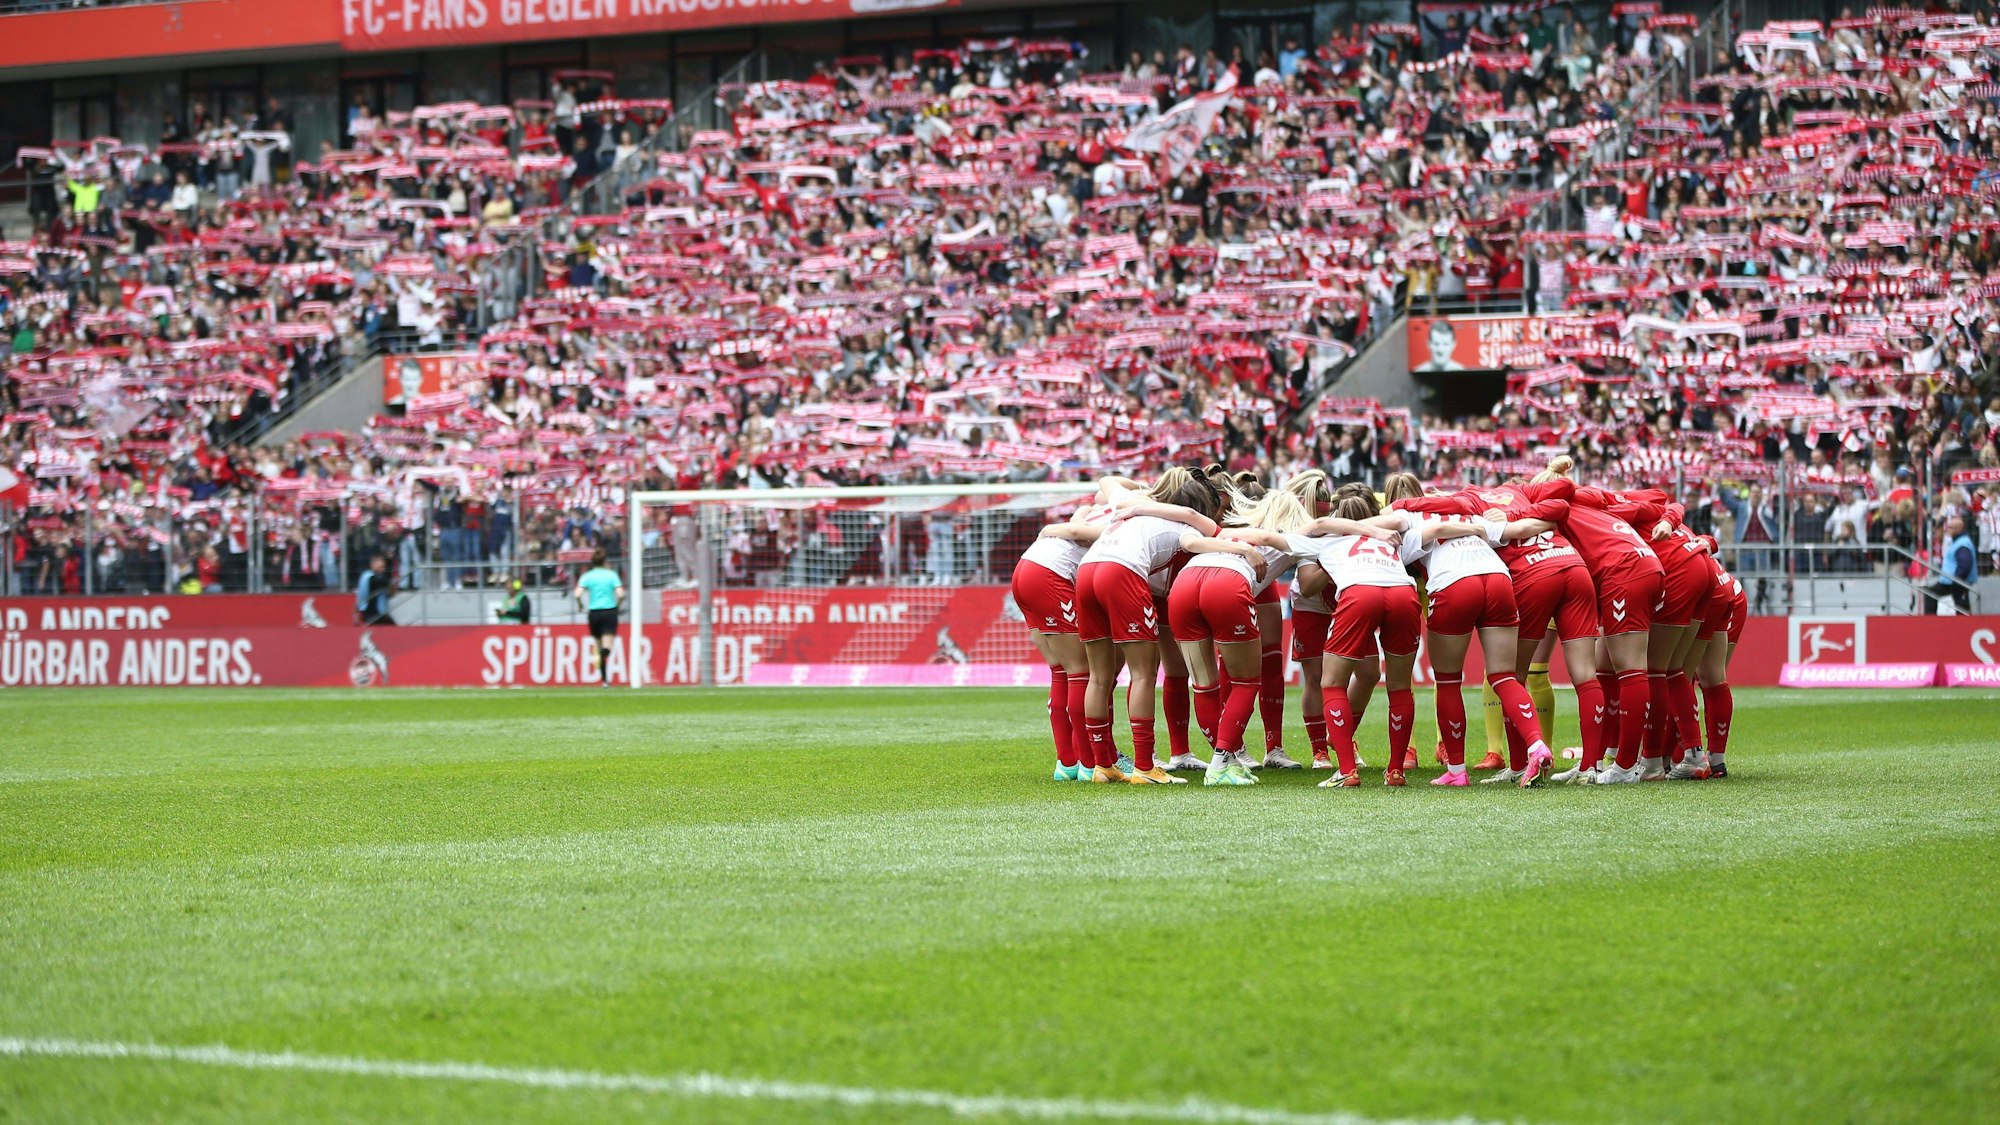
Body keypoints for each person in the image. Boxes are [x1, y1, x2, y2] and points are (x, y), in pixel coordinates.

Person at [1009, 477, 1217, 782]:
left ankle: (1073, 761)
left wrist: (1073, 518)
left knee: (1066, 671)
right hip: (1059, 572)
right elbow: (1081, 531)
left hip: (1034, 565)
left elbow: (1099, 490)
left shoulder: (1115, 502)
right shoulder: (1144, 514)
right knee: (1087, 671)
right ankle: (1094, 760)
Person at [1063, 468, 1251, 784]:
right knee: (1143, 674)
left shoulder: (1130, 503)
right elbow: (1205, 532)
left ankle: (1102, 765)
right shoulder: (1185, 524)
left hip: (1087, 572)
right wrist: (1243, 549)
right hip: (1121, 573)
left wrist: (1143, 496)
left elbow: (1107, 481)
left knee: (1099, 675)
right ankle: (1145, 767)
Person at [574, 548, 625, 685]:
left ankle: (605, 681)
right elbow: (621, 594)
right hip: (609, 612)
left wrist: (580, 605)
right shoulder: (611, 575)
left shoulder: (587, 576)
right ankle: (604, 655)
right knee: (607, 648)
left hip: (594, 613)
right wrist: (618, 605)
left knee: (598, 646)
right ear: (605, 561)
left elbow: (577, 594)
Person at [1926, 516, 1979, 614]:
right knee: (1960, 604)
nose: (1947, 530)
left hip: (1955, 581)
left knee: (1960, 605)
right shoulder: (1959, 541)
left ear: (1959, 529)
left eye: (1951, 528)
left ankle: (1929, 623)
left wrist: (1957, 579)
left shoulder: (1962, 544)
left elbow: (1965, 564)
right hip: (1951, 580)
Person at [357, 555, 396, 626]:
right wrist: (392, 584)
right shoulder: (368, 576)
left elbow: (388, 593)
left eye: (384, 566)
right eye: (381, 566)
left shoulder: (378, 576)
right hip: (371, 611)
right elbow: (380, 582)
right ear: (373, 565)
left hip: (379, 612)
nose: (383, 569)